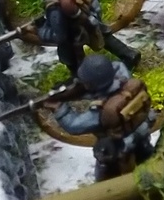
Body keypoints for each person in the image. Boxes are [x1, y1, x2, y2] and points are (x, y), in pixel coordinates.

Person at [52, 54, 156, 182]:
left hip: (118, 146)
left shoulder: (102, 110)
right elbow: (117, 66)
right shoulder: (124, 78)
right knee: (147, 156)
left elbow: (73, 125)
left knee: (105, 168)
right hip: (141, 129)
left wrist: (59, 108)